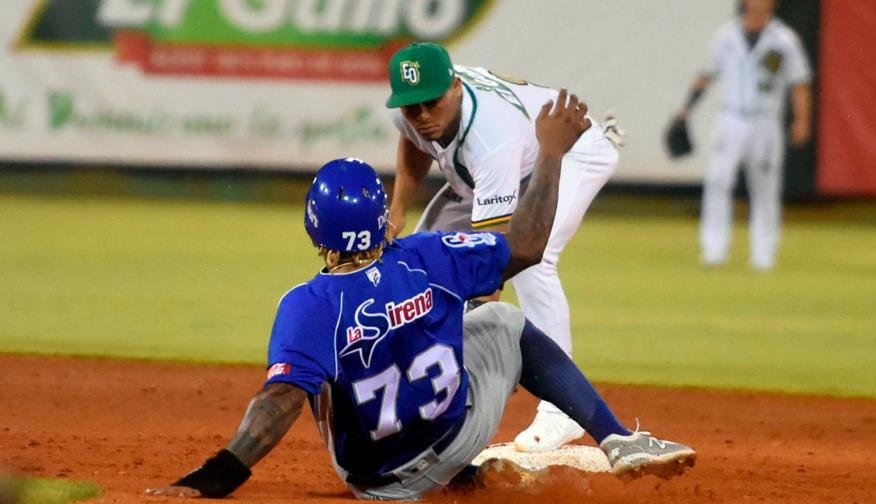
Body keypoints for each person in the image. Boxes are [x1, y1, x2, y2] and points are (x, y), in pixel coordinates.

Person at [147, 90, 695, 501]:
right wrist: (550, 153)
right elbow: (527, 247)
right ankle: (618, 438)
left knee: (315, 366)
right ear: (382, 216)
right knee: (499, 324)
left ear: (315, 231)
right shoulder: (432, 255)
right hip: (457, 438)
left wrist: (214, 478)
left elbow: (278, 404)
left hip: (376, 483)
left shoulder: (307, 303)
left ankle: (452, 472)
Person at [386, 41, 623, 452]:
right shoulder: (413, 106)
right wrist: (398, 211)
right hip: (493, 173)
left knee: (534, 259)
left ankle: (560, 410)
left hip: (568, 152)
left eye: (431, 103)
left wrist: (478, 344)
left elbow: (491, 262)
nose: (422, 115)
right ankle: (414, 383)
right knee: (419, 261)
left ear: (455, 87)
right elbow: (413, 141)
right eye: (411, 107)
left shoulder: (490, 138)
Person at [677, 0, 812, 271]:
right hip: (732, 117)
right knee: (717, 181)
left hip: (765, 120)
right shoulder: (726, 36)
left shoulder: (784, 40)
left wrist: (802, 119)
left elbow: (799, 82)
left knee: (765, 187)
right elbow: (707, 74)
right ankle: (714, 250)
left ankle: (764, 255)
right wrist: (686, 109)